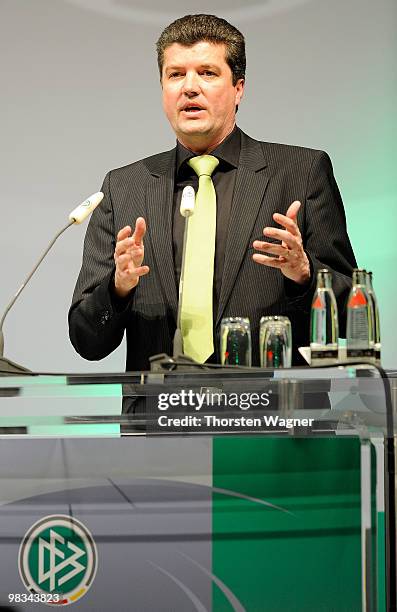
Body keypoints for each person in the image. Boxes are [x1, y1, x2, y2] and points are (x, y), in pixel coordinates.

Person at [68, 13, 356, 374]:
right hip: (161, 418)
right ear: (162, 89)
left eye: (207, 72)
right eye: (175, 74)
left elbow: (349, 316)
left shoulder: (300, 172)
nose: (189, 87)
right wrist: (117, 288)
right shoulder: (123, 187)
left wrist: (304, 272)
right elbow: (86, 341)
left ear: (238, 88)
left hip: (269, 414)